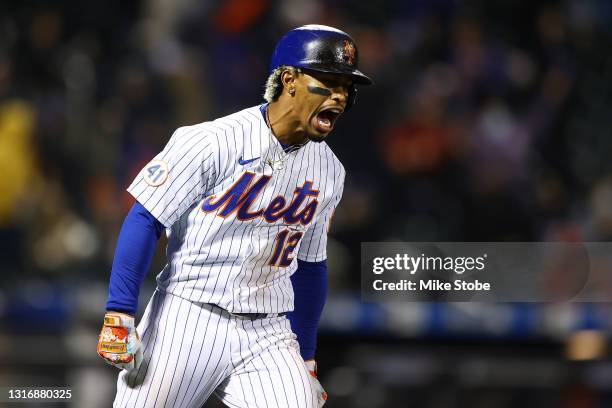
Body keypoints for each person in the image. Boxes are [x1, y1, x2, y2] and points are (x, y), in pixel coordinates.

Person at [97, 24, 372, 408]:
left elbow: (311, 267)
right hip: (188, 315)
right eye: (329, 82)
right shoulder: (213, 141)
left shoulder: (329, 171)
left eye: (347, 88)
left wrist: (306, 357)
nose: (340, 96)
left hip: (268, 331)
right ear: (289, 80)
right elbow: (146, 218)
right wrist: (119, 311)